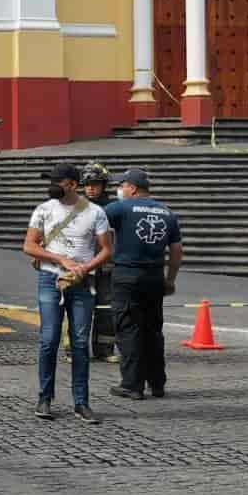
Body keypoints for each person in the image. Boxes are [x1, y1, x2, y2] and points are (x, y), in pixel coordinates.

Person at [22, 161, 112, 423]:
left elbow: (107, 249)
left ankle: (81, 403)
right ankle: (45, 397)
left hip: (82, 284)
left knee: (81, 343)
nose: (51, 187)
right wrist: (59, 259)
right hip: (50, 280)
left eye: (56, 182)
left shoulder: (95, 213)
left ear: (72, 184)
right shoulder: (43, 209)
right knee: (49, 340)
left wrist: (85, 268)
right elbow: (29, 245)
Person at [106, 168, 183, 401]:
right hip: (154, 277)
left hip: (127, 275)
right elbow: (177, 251)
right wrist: (170, 280)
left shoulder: (119, 208)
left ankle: (132, 384)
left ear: (132, 188)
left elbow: (94, 225)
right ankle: (157, 383)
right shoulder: (167, 212)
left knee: (128, 329)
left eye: (121, 185)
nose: (118, 190)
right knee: (152, 330)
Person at [81, 162, 117, 364]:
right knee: (79, 309)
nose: (90, 189)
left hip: (107, 267)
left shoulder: (114, 209)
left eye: (95, 184)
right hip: (82, 267)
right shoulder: (75, 207)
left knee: (106, 309)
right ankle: (75, 350)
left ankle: (104, 349)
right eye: (87, 185)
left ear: (104, 185)